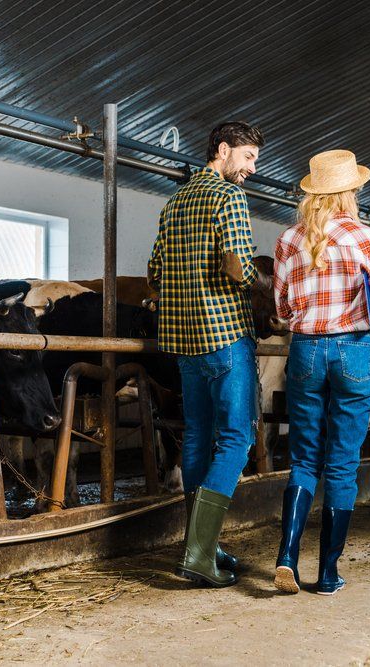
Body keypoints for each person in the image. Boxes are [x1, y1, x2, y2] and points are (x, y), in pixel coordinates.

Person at [271, 149, 370, 595]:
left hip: (305, 350)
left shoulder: (289, 239)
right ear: (351, 192)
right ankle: (327, 574)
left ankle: (286, 557)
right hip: (354, 352)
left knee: (303, 459)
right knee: (342, 466)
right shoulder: (367, 239)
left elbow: (284, 310)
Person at [147, 121, 266, 588]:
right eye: (249, 157)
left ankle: (202, 545)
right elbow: (239, 264)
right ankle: (198, 554)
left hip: (182, 341)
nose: (253, 168)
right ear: (223, 150)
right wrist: (260, 283)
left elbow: (155, 272)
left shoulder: (173, 202)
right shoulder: (229, 198)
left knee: (197, 436)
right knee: (238, 439)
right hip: (224, 334)